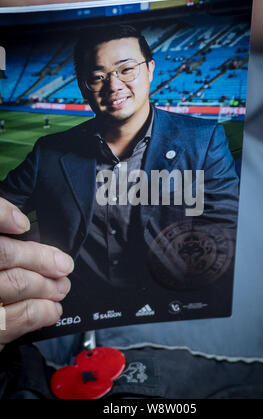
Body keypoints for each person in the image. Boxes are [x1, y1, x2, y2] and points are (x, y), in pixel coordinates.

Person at [0, 24, 239, 349]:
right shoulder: (49, 151)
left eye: (126, 69)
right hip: (67, 323)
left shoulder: (204, 139)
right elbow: (5, 213)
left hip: (174, 322)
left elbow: (230, 231)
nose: (113, 85)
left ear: (151, 69)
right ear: (83, 86)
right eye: (97, 76)